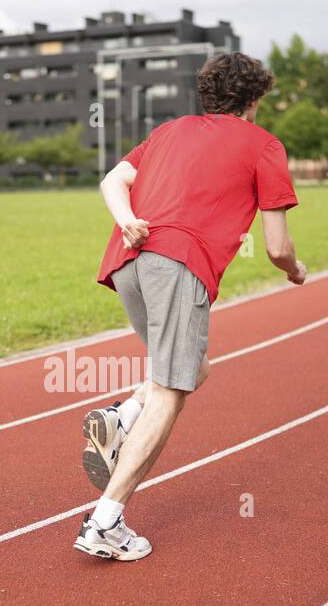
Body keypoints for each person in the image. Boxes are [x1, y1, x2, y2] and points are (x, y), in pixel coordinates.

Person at [73, 51, 306, 561]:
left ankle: (122, 416)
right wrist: (295, 271)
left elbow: (113, 179)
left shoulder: (169, 131)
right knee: (172, 391)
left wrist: (130, 218)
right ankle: (105, 522)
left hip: (128, 259)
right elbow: (276, 246)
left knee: (193, 368)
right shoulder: (264, 145)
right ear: (255, 98)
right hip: (177, 263)